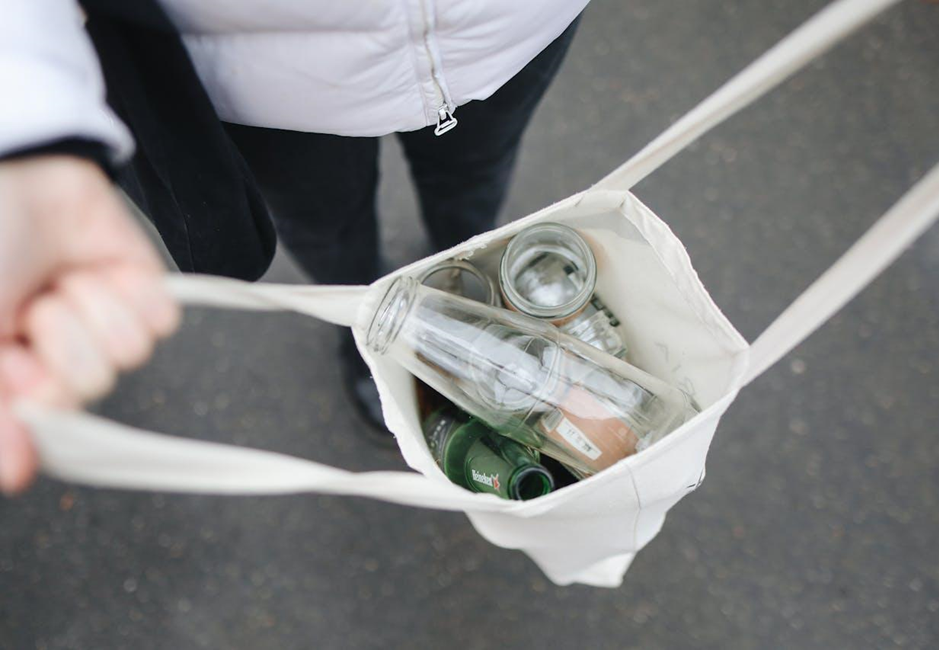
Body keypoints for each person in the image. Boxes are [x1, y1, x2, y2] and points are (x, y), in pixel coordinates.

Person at [0, 0, 586, 493]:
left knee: (475, 189)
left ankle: (470, 281)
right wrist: (29, 120)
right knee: (328, 230)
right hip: (265, 73)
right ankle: (364, 321)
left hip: (509, 29)